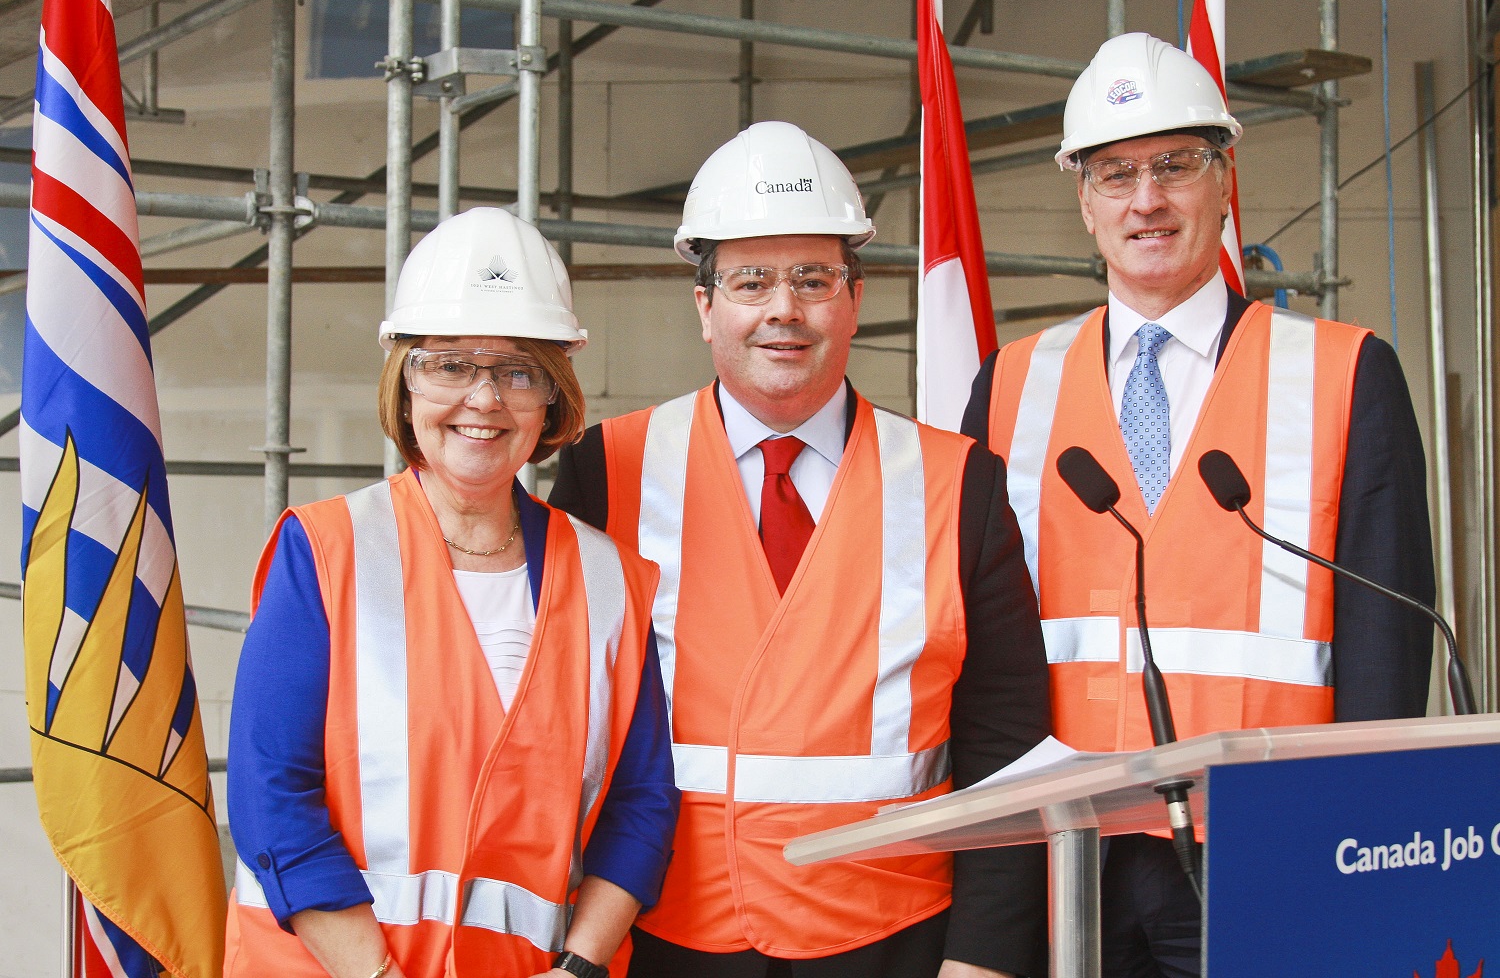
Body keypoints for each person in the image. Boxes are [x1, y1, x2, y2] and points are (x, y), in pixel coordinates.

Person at [961, 33, 1435, 978]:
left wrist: (1359, 853)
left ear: (1224, 177)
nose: (1147, 200)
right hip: (1066, 855)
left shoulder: (1346, 372)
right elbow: (980, 648)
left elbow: (1387, 653)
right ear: (1082, 198)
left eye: (1175, 165)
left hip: (1270, 850)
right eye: (1115, 174)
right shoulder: (1011, 382)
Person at [549, 121, 1052, 978]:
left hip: (897, 940)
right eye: (752, 280)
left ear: (854, 298)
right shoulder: (607, 470)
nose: (784, 308)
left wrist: (985, 957)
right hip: (664, 934)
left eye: (813, 279)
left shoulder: (957, 482)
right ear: (705, 306)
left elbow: (1005, 739)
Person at [224, 208, 680, 978]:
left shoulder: (609, 580)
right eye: (451, 366)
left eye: (517, 371)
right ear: (405, 387)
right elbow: (274, 795)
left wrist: (579, 968)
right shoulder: (327, 550)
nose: (484, 398)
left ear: (552, 400)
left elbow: (642, 807)